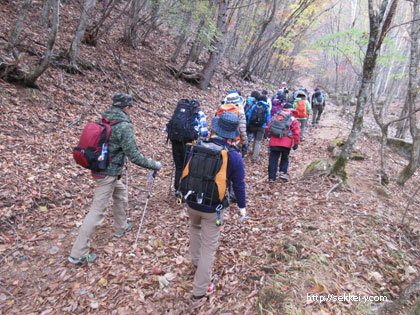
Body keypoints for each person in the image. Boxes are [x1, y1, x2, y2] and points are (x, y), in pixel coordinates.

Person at [68, 93, 162, 264]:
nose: (131, 109)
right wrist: (154, 165)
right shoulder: (124, 126)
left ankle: (121, 226)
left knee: (120, 194)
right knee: (98, 211)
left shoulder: (106, 118)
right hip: (107, 174)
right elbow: (134, 156)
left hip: (104, 168)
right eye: (131, 107)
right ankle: (78, 253)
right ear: (126, 107)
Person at [184, 111, 246, 302]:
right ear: (233, 133)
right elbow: (239, 184)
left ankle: (195, 263)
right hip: (213, 207)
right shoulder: (234, 156)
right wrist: (242, 207)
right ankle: (200, 290)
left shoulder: (199, 146)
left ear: (215, 127)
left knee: (195, 228)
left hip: (192, 200)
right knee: (209, 248)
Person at [168, 100, 208, 195]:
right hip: (189, 144)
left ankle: (177, 189)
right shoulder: (199, 113)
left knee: (179, 167)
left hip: (176, 141)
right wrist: (199, 143)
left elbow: (168, 127)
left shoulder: (179, 111)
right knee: (188, 167)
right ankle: (184, 191)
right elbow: (204, 132)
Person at [265, 103, 300, 182]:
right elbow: (296, 132)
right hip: (286, 143)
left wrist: (269, 136)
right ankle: (282, 173)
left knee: (273, 160)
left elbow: (268, 127)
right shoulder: (293, 119)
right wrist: (296, 143)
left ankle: (271, 177)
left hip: (274, 142)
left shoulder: (276, 116)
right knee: (284, 158)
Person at [222, 91, 248, 156]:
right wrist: (245, 142)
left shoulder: (222, 109)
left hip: (220, 137)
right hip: (233, 139)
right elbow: (242, 129)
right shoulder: (240, 112)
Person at [246, 95, 271, 162]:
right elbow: (268, 119)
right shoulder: (267, 107)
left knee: (254, 138)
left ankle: (251, 152)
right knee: (258, 141)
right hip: (262, 126)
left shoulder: (254, 106)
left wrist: (248, 124)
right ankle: (255, 157)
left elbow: (250, 116)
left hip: (253, 125)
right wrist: (266, 126)